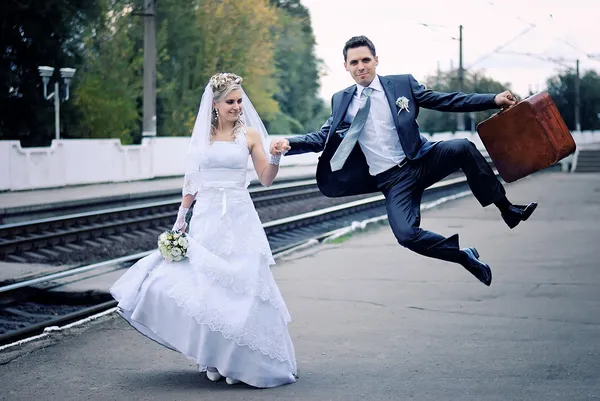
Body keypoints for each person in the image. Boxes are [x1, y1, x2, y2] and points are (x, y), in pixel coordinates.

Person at [270, 35, 537, 287]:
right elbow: (322, 137)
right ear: (346, 66)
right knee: (407, 235)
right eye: (354, 62)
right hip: (392, 180)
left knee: (463, 148)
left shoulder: (401, 84)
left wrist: (492, 99)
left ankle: (507, 209)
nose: (361, 67)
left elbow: (444, 100)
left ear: (376, 60)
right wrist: (289, 144)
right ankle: (464, 256)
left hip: (421, 160)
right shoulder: (342, 100)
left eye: (365, 60)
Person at [110, 72, 297, 388]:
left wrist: (276, 156)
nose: (237, 107)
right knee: (207, 288)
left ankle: (240, 361)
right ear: (216, 104)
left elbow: (265, 178)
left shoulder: (250, 135)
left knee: (245, 287)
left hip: (240, 215)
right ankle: (212, 357)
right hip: (208, 215)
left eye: (239, 101)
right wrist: (182, 216)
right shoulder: (203, 136)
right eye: (230, 102)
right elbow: (192, 179)